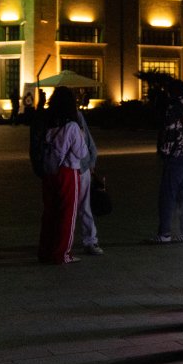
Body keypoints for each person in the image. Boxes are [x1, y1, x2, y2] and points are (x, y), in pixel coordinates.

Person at [37, 89, 90, 264]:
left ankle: (45, 250)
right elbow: (81, 152)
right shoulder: (72, 126)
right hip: (68, 172)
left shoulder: (49, 124)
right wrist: (82, 135)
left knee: (49, 212)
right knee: (68, 213)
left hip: (49, 172)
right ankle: (62, 253)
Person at [156, 92, 183, 243]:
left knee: (168, 196)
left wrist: (164, 153)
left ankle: (164, 233)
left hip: (175, 157)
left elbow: (169, 133)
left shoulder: (173, 109)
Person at [71, 97, 103, 256]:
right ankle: (90, 240)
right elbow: (89, 141)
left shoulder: (73, 116)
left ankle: (64, 242)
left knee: (75, 206)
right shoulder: (75, 115)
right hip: (80, 166)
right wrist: (91, 161)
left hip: (74, 168)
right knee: (84, 206)